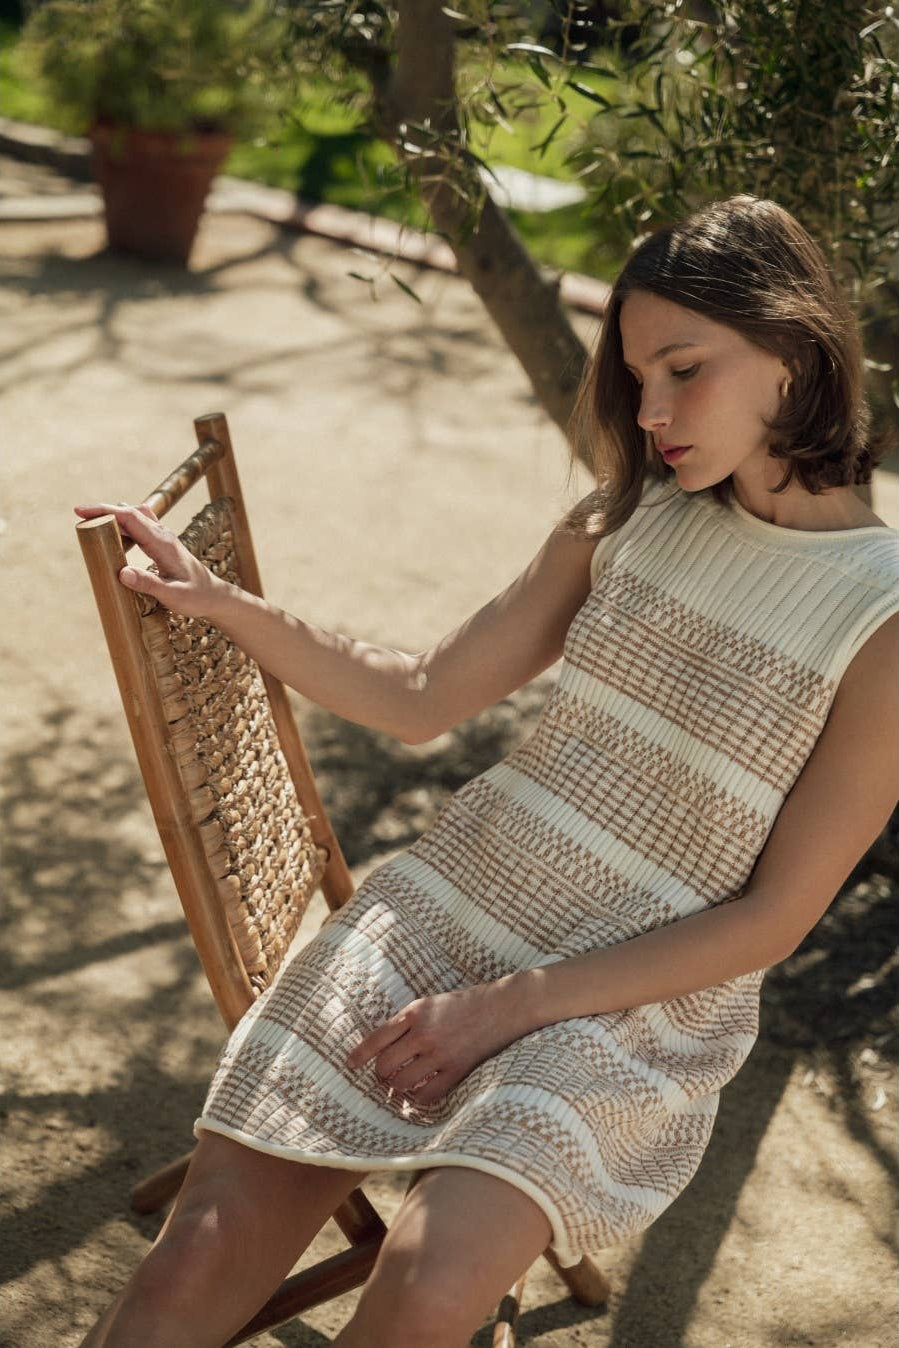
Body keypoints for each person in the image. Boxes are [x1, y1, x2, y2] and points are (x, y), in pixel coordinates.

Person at [73, 194, 898, 1348]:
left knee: (419, 1290)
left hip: (627, 1004)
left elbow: (769, 918)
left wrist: (505, 1011)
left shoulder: (880, 612)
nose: (650, 410)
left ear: (792, 352)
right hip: (452, 910)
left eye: (684, 368)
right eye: (635, 375)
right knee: (187, 1267)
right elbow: (419, 695)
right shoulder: (626, 514)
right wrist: (218, 603)